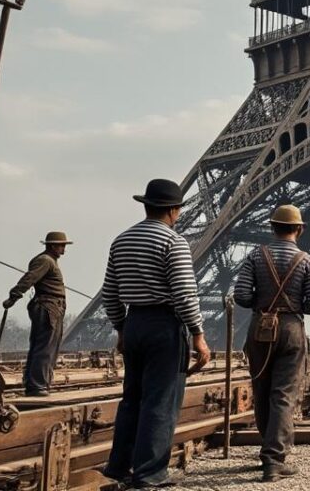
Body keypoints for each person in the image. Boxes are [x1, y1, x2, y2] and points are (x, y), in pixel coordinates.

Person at [102, 179, 210, 488]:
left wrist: (121, 328)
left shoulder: (121, 240)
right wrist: (198, 334)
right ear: (174, 211)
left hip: (134, 323)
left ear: (146, 205)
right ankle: (149, 474)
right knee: (161, 401)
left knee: (131, 398)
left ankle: (119, 466)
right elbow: (185, 294)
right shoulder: (174, 243)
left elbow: (110, 293)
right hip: (164, 327)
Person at [233, 204, 310, 482]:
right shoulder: (307, 261)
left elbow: (240, 295)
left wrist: (262, 305)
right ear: (299, 229)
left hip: (260, 328)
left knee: (261, 389)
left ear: (272, 227)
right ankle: (273, 459)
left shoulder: (255, 256)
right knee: (284, 393)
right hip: (291, 328)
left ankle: (267, 446)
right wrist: (295, 306)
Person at [4, 231, 71, 396]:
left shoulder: (50, 261)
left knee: (44, 346)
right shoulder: (45, 260)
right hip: (48, 307)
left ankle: (36, 384)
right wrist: (14, 296)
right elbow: (29, 278)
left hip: (51, 307)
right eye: (61, 245)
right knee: (45, 347)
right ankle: (37, 386)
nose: (64, 248)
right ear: (53, 246)